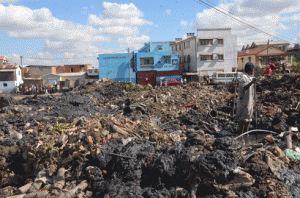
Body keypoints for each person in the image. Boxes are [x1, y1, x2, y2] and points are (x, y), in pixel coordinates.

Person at [235, 62, 257, 134]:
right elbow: (244, 88)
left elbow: (251, 91)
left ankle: (246, 134)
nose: (253, 71)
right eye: (253, 69)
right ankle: (241, 134)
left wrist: (253, 100)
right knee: (243, 120)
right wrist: (252, 82)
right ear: (250, 70)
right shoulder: (243, 78)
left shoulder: (249, 78)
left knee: (249, 119)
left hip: (249, 101)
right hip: (244, 101)